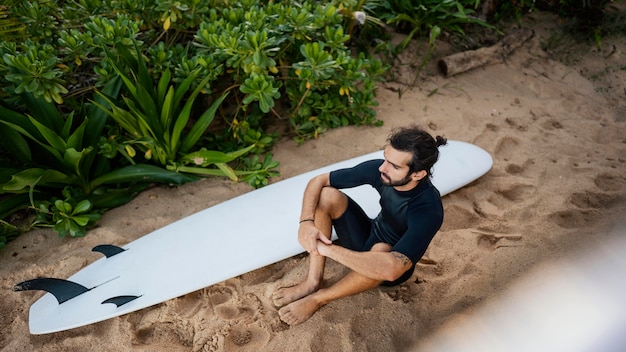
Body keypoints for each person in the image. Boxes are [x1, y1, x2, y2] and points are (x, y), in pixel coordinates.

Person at [273, 125, 448, 325]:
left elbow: (392, 269)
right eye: (385, 159)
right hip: (369, 233)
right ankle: (313, 282)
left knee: (381, 251)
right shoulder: (381, 171)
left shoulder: (428, 210)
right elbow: (318, 180)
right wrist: (305, 222)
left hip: (389, 264)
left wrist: (324, 249)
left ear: (418, 175)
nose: (383, 168)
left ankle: (318, 298)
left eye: (395, 166)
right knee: (327, 195)